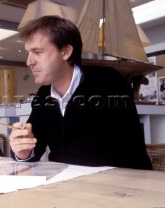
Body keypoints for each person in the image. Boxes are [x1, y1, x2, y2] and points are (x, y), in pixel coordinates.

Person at [9, 15, 152, 170]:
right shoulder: (43, 95)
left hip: (118, 185)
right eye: (28, 53)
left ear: (65, 51)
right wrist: (23, 151)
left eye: (37, 52)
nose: (29, 62)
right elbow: (35, 146)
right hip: (66, 186)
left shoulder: (107, 82)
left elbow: (126, 150)